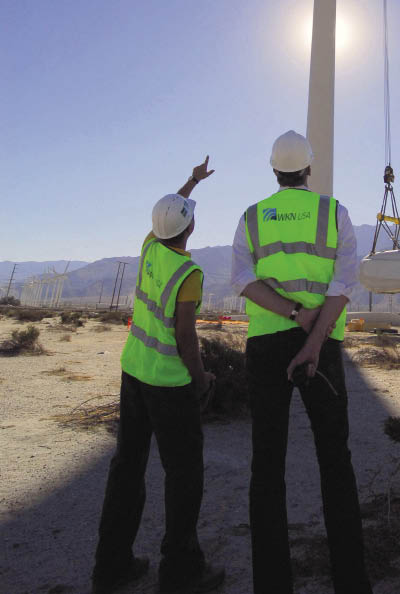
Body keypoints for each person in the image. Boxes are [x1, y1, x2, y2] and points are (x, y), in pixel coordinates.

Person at [231, 130, 373, 594]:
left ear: (274, 170)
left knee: (267, 466)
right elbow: (344, 283)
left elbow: (243, 282)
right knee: (336, 462)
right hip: (322, 346)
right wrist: (313, 340)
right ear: (309, 168)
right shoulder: (335, 213)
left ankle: (271, 585)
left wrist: (291, 313)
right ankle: (351, 582)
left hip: (267, 345)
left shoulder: (252, 218)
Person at [92, 156, 225, 594]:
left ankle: (111, 566)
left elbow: (170, 214)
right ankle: (181, 571)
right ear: (190, 230)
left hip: (133, 374)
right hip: (170, 385)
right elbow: (186, 338)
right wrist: (202, 377)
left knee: (126, 469)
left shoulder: (149, 248)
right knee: (183, 476)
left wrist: (191, 181)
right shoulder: (188, 273)